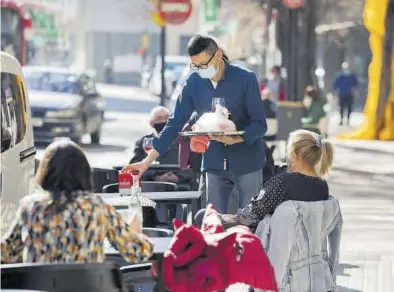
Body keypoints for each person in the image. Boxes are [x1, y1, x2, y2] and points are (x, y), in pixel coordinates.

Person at [123, 35, 267, 214]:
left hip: (247, 162)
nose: (199, 70)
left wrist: (236, 139)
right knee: (213, 222)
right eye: (195, 65)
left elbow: (260, 125)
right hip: (214, 162)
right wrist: (146, 161)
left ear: (218, 55)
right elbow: (174, 124)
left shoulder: (246, 79)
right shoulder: (193, 83)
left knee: (249, 221)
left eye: (203, 65)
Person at [1, 139, 153, 263]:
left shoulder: (30, 208)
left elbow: (7, 254)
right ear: (84, 172)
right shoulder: (96, 207)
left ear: (45, 172)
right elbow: (137, 252)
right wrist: (137, 234)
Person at [195, 129, 334, 230]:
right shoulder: (322, 187)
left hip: (262, 240)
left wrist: (226, 218)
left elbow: (251, 216)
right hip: (304, 247)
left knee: (203, 216)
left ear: (294, 154)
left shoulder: (283, 183)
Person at [130, 106, 179, 183]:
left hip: (181, 186)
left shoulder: (182, 140)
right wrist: (155, 177)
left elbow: (192, 166)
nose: (163, 121)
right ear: (151, 123)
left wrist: (178, 177)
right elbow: (134, 168)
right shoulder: (143, 142)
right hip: (151, 186)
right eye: (159, 118)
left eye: (167, 117)